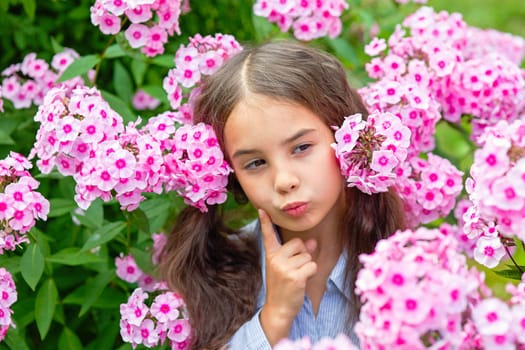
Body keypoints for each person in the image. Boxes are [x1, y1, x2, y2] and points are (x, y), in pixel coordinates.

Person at [159, 40, 405, 350]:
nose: (284, 181)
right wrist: (273, 318)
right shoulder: (218, 273)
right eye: (256, 163)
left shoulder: (403, 266)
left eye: (301, 148)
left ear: (346, 137)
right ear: (227, 175)